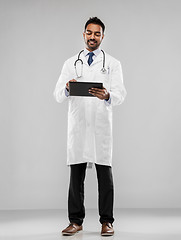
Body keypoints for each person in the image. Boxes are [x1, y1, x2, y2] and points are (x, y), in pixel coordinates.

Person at [53, 17, 127, 236]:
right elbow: (57, 95)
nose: (92, 37)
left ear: (102, 36)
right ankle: (75, 221)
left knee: (105, 176)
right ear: (83, 34)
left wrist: (107, 95)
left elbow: (121, 94)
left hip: (100, 127)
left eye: (97, 33)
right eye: (89, 32)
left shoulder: (112, 64)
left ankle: (107, 221)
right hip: (78, 126)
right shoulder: (70, 63)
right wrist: (67, 88)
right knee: (76, 177)